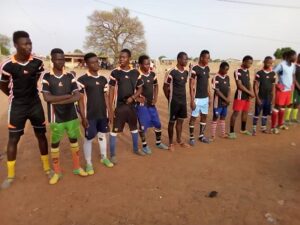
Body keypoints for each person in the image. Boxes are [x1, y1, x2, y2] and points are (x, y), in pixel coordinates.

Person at [0, 31, 50, 189]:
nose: (29, 46)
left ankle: (47, 168)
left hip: (35, 104)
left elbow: (36, 79)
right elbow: (3, 85)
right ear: (16, 45)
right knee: (13, 139)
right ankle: (10, 175)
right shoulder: (7, 65)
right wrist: (15, 97)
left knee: (41, 135)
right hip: (18, 107)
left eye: (30, 43)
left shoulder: (37, 62)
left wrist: (29, 94)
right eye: (25, 44)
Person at [41, 48, 87, 185]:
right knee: (55, 144)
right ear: (52, 60)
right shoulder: (47, 77)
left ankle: (77, 167)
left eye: (62, 59)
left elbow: (78, 95)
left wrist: (57, 100)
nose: (60, 62)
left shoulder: (70, 76)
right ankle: (57, 171)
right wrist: (68, 96)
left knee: (74, 142)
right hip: (56, 118)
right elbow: (46, 97)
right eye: (57, 59)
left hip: (71, 116)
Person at [77, 53, 113, 175]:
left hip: (102, 114)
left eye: (97, 61)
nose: (96, 64)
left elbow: (106, 97)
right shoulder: (82, 80)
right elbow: (80, 100)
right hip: (90, 116)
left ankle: (104, 157)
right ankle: (88, 163)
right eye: (92, 62)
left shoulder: (103, 79)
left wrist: (110, 113)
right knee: (89, 139)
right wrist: (83, 117)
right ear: (87, 64)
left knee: (102, 135)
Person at [108, 49, 145, 164]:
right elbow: (111, 92)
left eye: (124, 57)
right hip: (119, 108)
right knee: (114, 131)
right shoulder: (115, 73)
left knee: (134, 128)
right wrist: (110, 109)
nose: (121, 59)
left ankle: (135, 149)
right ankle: (113, 155)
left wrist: (133, 98)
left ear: (129, 58)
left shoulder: (135, 73)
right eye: (120, 57)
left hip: (131, 107)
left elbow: (140, 88)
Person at [135, 55, 168, 154]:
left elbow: (156, 86)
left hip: (151, 104)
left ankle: (158, 143)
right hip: (141, 105)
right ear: (140, 64)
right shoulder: (136, 75)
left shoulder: (152, 74)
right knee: (143, 126)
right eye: (145, 64)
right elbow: (131, 89)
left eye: (148, 63)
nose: (147, 66)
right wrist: (137, 98)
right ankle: (145, 145)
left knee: (157, 123)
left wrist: (156, 97)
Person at [163, 52, 190, 151]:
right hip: (174, 102)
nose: (186, 61)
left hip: (183, 101)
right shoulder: (172, 72)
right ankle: (170, 143)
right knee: (171, 122)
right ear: (179, 59)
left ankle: (179, 140)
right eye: (184, 59)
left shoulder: (186, 72)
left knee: (180, 122)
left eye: (187, 59)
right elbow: (165, 87)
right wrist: (169, 99)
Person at [229, 55, 255, 139]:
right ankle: (231, 132)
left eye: (251, 63)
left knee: (245, 112)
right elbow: (239, 85)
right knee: (236, 113)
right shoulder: (237, 71)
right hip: (240, 96)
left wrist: (251, 93)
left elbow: (248, 83)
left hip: (247, 96)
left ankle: (243, 129)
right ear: (244, 62)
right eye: (249, 63)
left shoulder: (247, 71)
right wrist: (250, 93)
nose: (250, 65)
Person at [189, 50, 211, 145]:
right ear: (202, 58)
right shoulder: (195, 69)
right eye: (207, 57)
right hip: (197, 99)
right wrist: (192, 100)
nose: (208, 59)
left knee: (204, 117)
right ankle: (191, 138)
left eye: (209, 57)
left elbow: (208, 84)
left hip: (205, 98)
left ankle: (201, 136)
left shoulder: (207, 68)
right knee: (193, 118)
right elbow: (191, 85)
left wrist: (210, 96)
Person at [272, 50, 297, 132]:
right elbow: (272, 74)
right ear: (289, 57)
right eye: (294, 56)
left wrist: (293, 83)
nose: (295, 57)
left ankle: (280, 124)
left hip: (289, 90)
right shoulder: (281, 65)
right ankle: (273, 127)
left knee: (283, 107)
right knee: (277, 107)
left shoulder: (293, 65)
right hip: (281, 90)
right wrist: (277, 84)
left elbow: (293, 75)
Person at [252, 56, 276, 135]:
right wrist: (257, 98)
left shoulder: (273, 74)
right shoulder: (259, 73)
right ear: (264, 62)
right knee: (257, 113)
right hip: (261, 97)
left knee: (265, 114)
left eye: (271, 63)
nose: (269, 64)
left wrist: (272, 98)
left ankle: (263, 128)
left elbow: (273, 87)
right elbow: (255, 86)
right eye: (268, 62)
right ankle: (254, 129)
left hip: (268, 98)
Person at [210, 61, 231, 140]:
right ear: (221, 68)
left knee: (223, 117)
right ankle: (212, 136)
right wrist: (226, 100)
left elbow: (229, 89)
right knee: (215, 117)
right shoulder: (215, 77)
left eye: (227, 70)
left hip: (225, 102)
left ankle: (223, 134)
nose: (226, 71)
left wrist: (228, 99)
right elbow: (217, 91)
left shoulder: (227, 77)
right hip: (218, 102)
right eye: (225, 69)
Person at [291, 53, 300, 123]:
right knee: (292, 103)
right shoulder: (294, 66)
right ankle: (287, 119)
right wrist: (299, 87)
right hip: (295, 88)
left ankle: (294, 118)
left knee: (297, 103)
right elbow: (293, 78)